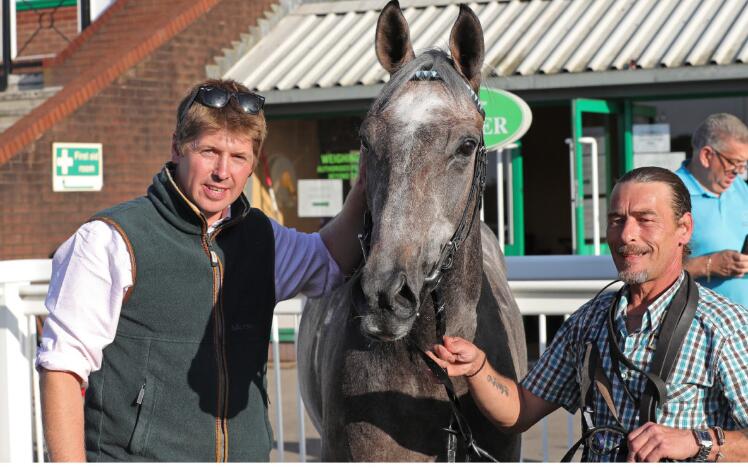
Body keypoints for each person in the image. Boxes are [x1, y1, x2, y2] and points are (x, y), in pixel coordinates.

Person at [36, 79, 366, 462]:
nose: (223, 172)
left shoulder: (262, 238)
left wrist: (363, 185)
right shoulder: (109, 240)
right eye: (209, 151)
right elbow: (62, 369)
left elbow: (328, 258)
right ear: (177, 147)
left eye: (239, 157)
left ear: (253, 165)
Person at [430, 167, 748, 462]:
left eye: (645, 219)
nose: (626, 236)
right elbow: (519, 411)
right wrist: (477, 367)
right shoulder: (589, 321)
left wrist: (698, 441)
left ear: (684, 229)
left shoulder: (723, 326)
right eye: (616, 220)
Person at [676, 113, 748, 308]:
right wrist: (708, 265)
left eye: (743, 165)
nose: (739, 172)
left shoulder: (740, 187)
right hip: (701, 329)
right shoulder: (670, 193)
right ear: (707, 156)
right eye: (734, 164)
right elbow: (652, 269)